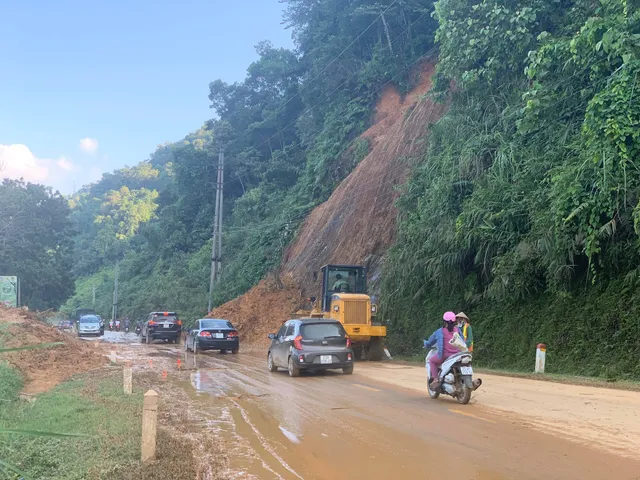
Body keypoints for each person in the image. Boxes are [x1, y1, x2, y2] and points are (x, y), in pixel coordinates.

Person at [423, 311, 464, 389]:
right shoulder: (458, 330)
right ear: (454, 321)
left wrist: (426, 344)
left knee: (432, 360)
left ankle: (435, 380)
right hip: (458, 354)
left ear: (444, 321)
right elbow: (463, 341)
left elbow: (429, 342)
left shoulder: (439, 332)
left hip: (445, 355)